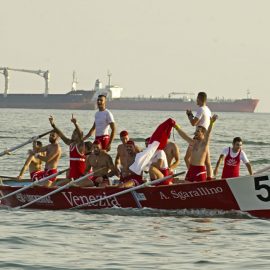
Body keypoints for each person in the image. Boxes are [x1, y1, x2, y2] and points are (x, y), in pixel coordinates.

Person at [174, 115, 218, 182]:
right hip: (191, 169)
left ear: (203, 133)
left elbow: (208, 133)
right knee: (187, 188)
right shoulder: (193, 143)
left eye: (198, 131)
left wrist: (211, 123)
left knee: (200, 188)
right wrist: (176, 127)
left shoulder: (204, 144)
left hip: (200, 170)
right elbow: (184, 136)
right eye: (196, 131)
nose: (195, 133)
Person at [185, 91, 213, 179]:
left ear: (199, 99)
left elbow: (194, 123)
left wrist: (189, 114)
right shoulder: (208, 110)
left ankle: (193, 175)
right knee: (207, 161)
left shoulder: (201, 109)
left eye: (197, 99)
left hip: (198, 137)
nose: (196, 101)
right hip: (205, 137)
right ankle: (210, 177)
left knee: (186, 158)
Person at [49, 114, 86, 180]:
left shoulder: (81, 145)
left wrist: (76, 123)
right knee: (60, 183)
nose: (72, 135)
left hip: (80, 175)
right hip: (72, 174)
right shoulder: (70, 143)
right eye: (73, 133)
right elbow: (60, 134)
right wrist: (53, 124)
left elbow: (80, 134)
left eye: (75, 134)